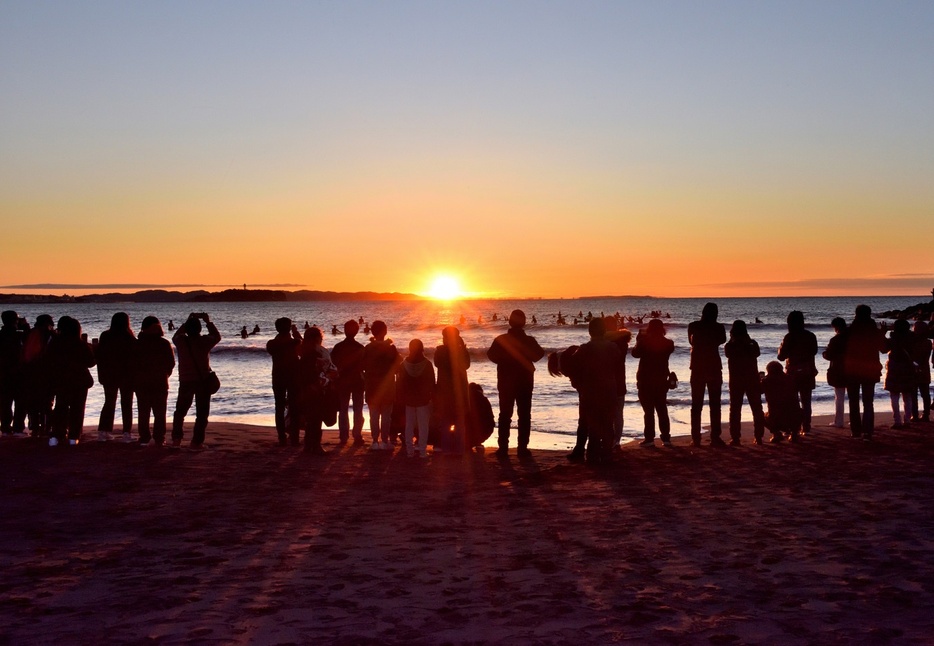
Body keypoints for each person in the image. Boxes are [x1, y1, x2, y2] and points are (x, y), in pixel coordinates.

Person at [487, 309, 545, 458]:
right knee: (524, 414)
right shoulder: (529, 341)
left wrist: (504, 360)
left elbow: (491, 355)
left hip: (506, 380)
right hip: (525, 380)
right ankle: (522, 448)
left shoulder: (501, 340)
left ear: (510, 322)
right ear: (524, 323)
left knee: (505, 414)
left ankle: (503, 448)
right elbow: (539, 354)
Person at [564, 318, 622, 463]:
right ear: (604, 331)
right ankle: (606, 454)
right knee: (608, 423)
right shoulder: (613, 348)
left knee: (592, 423)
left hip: (591, 391)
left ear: (590, 332)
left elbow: (573, 367)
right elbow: (618, 368)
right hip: (609, 389)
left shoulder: (585, 349)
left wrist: (578, 384)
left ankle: (592, 455)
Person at [172, 312, 221, 449]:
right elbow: (217, 336)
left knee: (180, 412)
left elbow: (176, 335)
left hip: (185, 380)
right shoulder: (204, 341)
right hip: (202, 381)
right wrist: (208, 321)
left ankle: (176, 440)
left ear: (187, 329)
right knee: (202, 414)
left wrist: (187, 320)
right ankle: (196, 442)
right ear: (200, 329)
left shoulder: (181, 342)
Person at [47, 316, 96, 446]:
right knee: (77, 408)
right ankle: (73, 436)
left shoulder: (55, 343)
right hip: (79, 380)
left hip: (60, 380)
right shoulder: (80, 344)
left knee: (60, 407)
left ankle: (56, 435)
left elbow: (49, 361)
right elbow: (91, 362)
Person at [843, 305, 885, 440]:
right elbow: (884, 348)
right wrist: (882, 333)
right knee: (868, 401)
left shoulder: (850, 331)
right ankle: (867, 431)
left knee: (853, 401)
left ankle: (855, 431)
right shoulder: (874, 331)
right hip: (870, 369)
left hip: (852, 369)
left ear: (856, 314)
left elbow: (842, 348)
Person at [631, 319, 675, 447]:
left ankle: (649, 439)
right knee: (662, 409)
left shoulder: (644, 342)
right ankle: (666, 438)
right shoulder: (668, 343)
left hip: (645, 379)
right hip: (661, 379)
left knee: (648, 411)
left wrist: (639, 340)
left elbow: (635, 354)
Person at [687, 302, 726, 447]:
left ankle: (695, 438)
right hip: (714, 366)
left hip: (697, 367)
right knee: (715, 404)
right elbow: (721, 340)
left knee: (696, 404)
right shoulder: (719, 327)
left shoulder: (693, 326)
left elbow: (691, 342)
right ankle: (715, 437)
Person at [133, 316, 175, 447]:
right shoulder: (164, 343)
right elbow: (171, 363)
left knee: (144, 411)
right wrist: (165, 374)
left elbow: (132, 364)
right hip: (159, 381)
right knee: (159, 411)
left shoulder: (137, 343)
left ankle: (145, 437)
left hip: (142, 382)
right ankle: (159, 437)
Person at [95, 312, 137, 442]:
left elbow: (100, 356)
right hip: (126, 374)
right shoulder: (129, 337)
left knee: (109, 402)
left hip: (109, 374)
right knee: (126, 403)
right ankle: (126, 433)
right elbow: (134, 358)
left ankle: (103, 431)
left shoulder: (105, 335)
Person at [724, 320, 765, 445]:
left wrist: (732, 340)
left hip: (736, 379)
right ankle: (758, 437)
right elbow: (757, 353)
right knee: (757, 408)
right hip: (752, 378)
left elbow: (728, 354)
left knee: (735, 409)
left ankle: (735, 438)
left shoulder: (730, 345)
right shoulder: (752, 344)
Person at [777, 311, 818, 437]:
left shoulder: (789, 337)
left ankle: (793, 427)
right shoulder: (810, 336)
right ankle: (806, 427)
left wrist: (780, 348)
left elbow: (781, 357)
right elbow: (814, 351)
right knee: (806, 401)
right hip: (807, 371)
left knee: (792, 402)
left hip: (792, 373)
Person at [298, 327, 337, 455]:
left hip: (306, 387)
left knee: (311, 418)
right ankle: (316, 445)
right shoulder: (319, 352)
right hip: (317, 387)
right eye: (320, 337)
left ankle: (308, 446)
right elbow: (329, 369)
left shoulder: (303, 351)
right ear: (317, 339)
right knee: (317, 418)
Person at [363, 320, 400, 450]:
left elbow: (363, 366)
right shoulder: (390, 348)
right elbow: (397, 367)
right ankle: (384, 441)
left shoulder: (368, 348)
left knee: (373, 415)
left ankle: (374, 441)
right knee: (386, 415)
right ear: (384, 331)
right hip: (387, 386)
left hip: (372, 385)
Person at [433, 326, 470, 455]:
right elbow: (466, 365)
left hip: (445, 391)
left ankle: (447, 449)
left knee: (446, 421)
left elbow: (438, 363)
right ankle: (459, 449)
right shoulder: (459, 351)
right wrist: (460, 346)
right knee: (459, 421)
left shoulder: (440, 351)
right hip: (458, 390)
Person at [266, 317, 303, 446]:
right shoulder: (294, 342)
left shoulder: (271, 344)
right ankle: (295, 438)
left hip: (278, 377)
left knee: (279, 407)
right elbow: (304, 349)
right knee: (294, 407)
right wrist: (296, 333)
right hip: (293, 377)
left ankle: (282, 437)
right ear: (289, 328)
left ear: (277, 329)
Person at [396, 339, 435, 458]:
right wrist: (431, 396)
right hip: (423, 399)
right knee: (423, 426)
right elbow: (432, 382)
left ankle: (409, 451)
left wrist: (400, 397)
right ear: (422, 348)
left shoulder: (404, 364)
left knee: (409, 425)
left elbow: (399, 383)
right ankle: (422, 451)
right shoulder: (427, 364)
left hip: (408, 398)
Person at [330, 320, 366, 446]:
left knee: (343, 409)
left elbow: (333, 364)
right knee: (358, 409)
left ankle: (344, 436)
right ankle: (357, 435)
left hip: (343, 381)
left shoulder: (338, 347)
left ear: (344, 330)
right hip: (357, 381)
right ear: (356, 331)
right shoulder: (360, 348)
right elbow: (364, 365)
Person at [21, 315, 54, 438]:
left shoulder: (29, 334)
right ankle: (47, 427)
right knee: (47, 403)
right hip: (46, 372)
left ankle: (35, 428)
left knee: (33, 403)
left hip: (30, 372)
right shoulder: (51, 336)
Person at [883, 319, 917, 429]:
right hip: (908, 369)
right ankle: (907, 420)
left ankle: (897, 421)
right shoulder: (912, 339)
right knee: (907, 396)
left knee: (894, 396)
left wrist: (882, 334)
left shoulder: (893, 340)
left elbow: (883, 349)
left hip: (894, 369)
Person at [604, 316, 632, 450]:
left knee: (606, 411)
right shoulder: (623, 341)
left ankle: (607, 439)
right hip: (620, 379)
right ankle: (617, 441)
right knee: (618, 413)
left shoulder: (602, 342)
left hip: (605, 380)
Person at [0, 311, 28, 437]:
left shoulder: (1, 335)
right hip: (18, 372)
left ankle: (5, 427)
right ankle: (18, 428)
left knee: (5, 402)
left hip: (3, 373)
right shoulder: (18, 335)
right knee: (20, 402)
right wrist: (25, 327)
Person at [760, 361, 801, 443]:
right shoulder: (790, 379)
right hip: (794, 416)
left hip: (776, 418)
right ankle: (794, 434)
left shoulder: (767, 381)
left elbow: (758, 391)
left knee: (760, 415)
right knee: (797, 411)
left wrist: (760, 379)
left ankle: (776, 433)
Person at [822, 317, 849, 428]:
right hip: (853, 369)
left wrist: (824, 353)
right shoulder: (852, 337)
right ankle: (854, 419)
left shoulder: (835, 340)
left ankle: (839, 421)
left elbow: (829, 355)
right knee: (853, 396)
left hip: (839, 369)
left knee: (839, 396)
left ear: (836, 327)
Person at [911, 321, 932, 422]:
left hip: (915, 369)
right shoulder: (928, 342)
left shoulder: (914, 342)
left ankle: (915, 414)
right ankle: (925, 414)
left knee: (914, 393)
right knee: (925, 393)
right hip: (924, 369)